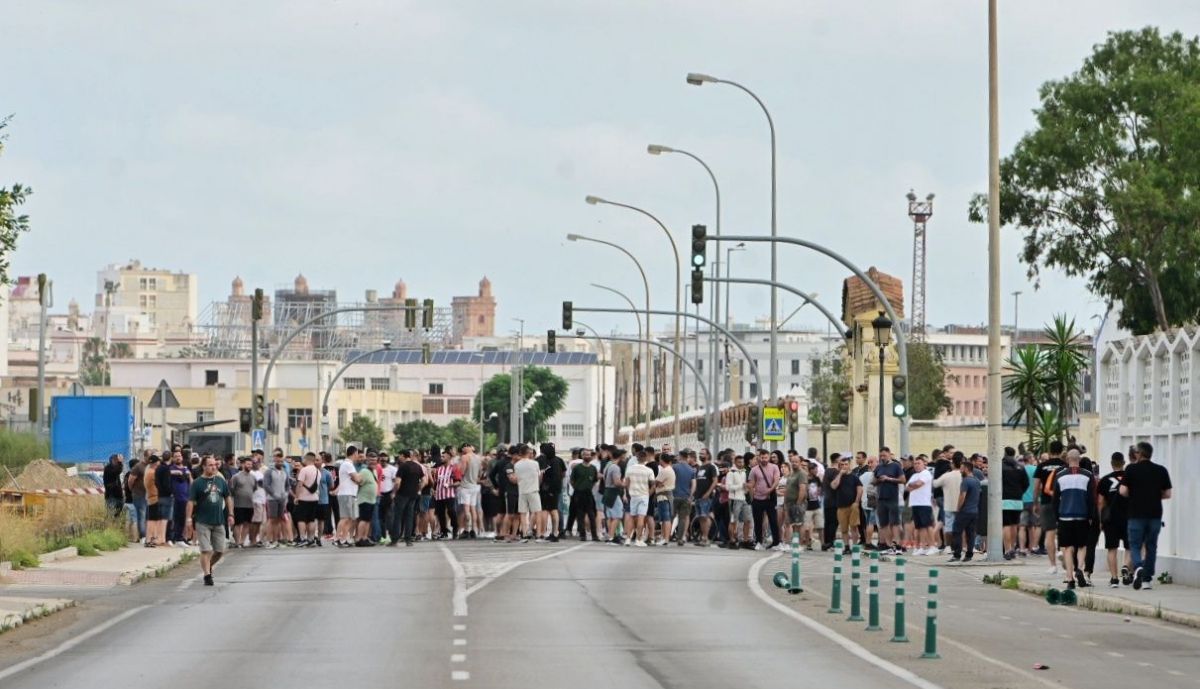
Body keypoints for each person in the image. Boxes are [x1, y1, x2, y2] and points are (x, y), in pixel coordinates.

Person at [1120, 441, 1172, 591]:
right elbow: (1167, 493)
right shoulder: (1161, 470)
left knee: (1135, 544)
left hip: (1135, 514)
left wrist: (1135, 494)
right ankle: (1147, 580)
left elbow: (1123, 491)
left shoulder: (1131, 469)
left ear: (1139, 454)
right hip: (1155, 514)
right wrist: (1154, 496)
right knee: (1151, 546)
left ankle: (1138, 567)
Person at [184, 456, 233, 587]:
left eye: (215, 465)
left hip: (218, 521)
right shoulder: (197, 483)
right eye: (210, 465)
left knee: (219, 551)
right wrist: (189, 519)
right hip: (202, 521)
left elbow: (227, 497)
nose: (214, 467)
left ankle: (208, 565)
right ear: (204, 467)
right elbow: (190, 502)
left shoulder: (220, 481)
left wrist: (231, 514)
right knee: (206, 550)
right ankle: (207, 575)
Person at [1053, 449, 1097, 589]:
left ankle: (1069, 577)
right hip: (1082, 516)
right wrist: (1091, 516)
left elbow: (1055, 499)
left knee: (1067, 548)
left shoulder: (1059, 476)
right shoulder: (1088, 475)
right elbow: (1092, 499)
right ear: (1079, 459)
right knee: (1082, 546)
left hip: (1065, 517)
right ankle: (1080, 568)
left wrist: (1057, 517)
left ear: (1067, 459)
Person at [1033, 440, 1067, 574]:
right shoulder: (1065, 465)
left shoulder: (1042, 466)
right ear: (1061, 451)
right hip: (1064, 502)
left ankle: (1053, 565)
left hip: (1047, 502)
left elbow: (1036, 487)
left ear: (1050, 450)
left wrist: (1035, 503)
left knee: (1049, 533)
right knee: (1064, 531)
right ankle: (1063, 553)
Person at [1097, 452, 1131, 588]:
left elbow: (1100, 502)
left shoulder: (1105, 480)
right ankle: (1125, 567)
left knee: (1112, 549)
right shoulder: (1130, 478)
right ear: (1123, 463)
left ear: (1112, 464)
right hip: (1129, 517)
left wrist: (1100, 520)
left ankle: (1114, 578)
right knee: (1130, 548)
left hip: (1111, 518)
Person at [391, 450, 427, 546]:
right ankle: (408, 539)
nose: (399, 457)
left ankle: (395, 540)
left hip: (402, 494)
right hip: (413, 495)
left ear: (403, 456)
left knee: (398, 516)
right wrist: (418, 488)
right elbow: (424, 481)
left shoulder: (403, 466)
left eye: (400, 455)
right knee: (409, 517)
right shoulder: (417, 466)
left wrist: (394, 492)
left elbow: (398, 482)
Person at [748, 451, 781, 550]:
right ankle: (759, 541)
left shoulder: (774, 467)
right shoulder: (754, 470)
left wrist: (770, 491)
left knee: (773, 520)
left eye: (766, 457)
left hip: (770, 498)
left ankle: (776, 542)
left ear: (769, 457)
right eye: (762, 458)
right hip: (757, 499)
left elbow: (776, 480)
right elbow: (751, 484)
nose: (764, 460)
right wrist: (752, 498)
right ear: (759, 458)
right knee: (758, 521)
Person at [1000, 447, 1030, 559]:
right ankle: (1013, 548)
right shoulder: (1020, 467)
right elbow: (1026, 483)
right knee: (1014, 525)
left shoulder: (1000, 467)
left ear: (1004, 453)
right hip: (1018, 500)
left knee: (1006, 525)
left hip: (1004, 500)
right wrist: (1019, 492)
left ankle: (1007, 550)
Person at [949, 460, 981, 562]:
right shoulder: (976, 480)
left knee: (957, 531)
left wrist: (958, 508)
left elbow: (962, 495)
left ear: (966, 469)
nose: (960, 471)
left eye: (962, 468)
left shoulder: (966, 481)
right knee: (970, 534)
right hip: (974, 511)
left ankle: (957, 554)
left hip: (965, 511)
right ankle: (969, 555)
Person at [830, 456, 862, 551]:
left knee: (854, 527)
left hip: (852, 506)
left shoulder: (854, 477)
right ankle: (847, 547)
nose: (844, 466)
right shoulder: (838, 477)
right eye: (842, 465)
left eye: (846, 464)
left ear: (849, 465)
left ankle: (855, 547)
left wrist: (856, 502)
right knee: (844, 529)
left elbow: (860, 490)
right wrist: (840, 474)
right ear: (839, 466)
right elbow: (833, 486)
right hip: (841, 507)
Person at [905, 456, 935, 555]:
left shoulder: (926, 473)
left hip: (924, 503)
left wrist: (913, 485)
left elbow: (918, 484)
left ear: (924, 464)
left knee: (928, 525)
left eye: (919, 463)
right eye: (915, 463)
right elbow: (907, 488)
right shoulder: (914, 475)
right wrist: (914, 485)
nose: (916, 465)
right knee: (919, 527)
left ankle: (932, 546)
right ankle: (922, 547)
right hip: (915, 503)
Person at [569, 449, 600, 541]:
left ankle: (594, 535)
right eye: (585, 455)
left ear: (591, 456)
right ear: (582, 456)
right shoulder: (577, 468)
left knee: (592, 515)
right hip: (578, 493)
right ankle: (582, 535)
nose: (587, 456)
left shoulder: (593, 468)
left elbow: (595, 480)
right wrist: (577, 487)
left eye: (589, 455)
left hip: (588, 493)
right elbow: (571, 480)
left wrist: (589, 487)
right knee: (580, 515)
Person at [513, 444, 542, 541]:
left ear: (520, 453)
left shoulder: (516, 465)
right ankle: (538, 535)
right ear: (528, 453)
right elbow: (538, 476)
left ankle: (524, 534)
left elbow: (517, 478)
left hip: (522, 490)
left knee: (523, 513)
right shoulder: (535, 463)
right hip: (533, 490)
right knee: (537, 512)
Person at [261, 452, 290, 548]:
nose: (280, 463)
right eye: (278, 461)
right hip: (272, 499)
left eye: (281, 461)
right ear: (274, 461)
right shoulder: (269, 472)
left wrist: (286, 494)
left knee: (279, 519)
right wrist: (274, 494)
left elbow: (287, 485)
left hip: (282, 499)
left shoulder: (284, 472)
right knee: (271, 519)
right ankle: (269, 540)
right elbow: (266, 485)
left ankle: (276, 540)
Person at [625, 456, 654, 547]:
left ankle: (628, 539)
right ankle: (638, 539)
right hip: (644, 495)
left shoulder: (630, 469)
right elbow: (653, 485)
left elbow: (626, 483)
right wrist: (648, 494)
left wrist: (629, 492)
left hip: (633, 495)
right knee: (641, 517)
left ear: (637, 459)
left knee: (632, 516)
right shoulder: (649, 470)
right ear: (645, 459)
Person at [335, 446, 362, 546]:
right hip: (346, 493)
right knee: (345, 518)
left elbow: (356, 479)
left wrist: (357, 478)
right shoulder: (348, 464)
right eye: (357, 454)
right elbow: (357, 479)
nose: (357, 456)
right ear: (354, 453)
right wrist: (359, 477)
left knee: (350, 518)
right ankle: (337, 538)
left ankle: (344, 538)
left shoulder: (348, 464)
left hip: (349, 493)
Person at [228, 457, 257, 547]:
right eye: (248, 464)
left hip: (250, 505)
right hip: (238, 504)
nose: (250, 466)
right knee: (238, 523)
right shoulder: (236, 477)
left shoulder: (253, 477)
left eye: (251, 464)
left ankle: (242, 541)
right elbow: (231, 490)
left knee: (247, 523)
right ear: (243, 464)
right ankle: (237, 541)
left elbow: (254, 489)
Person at [294, 452, 321, 547]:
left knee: (301, 519)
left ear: (307, 459)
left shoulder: (304, 470)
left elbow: (300, 484)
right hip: (314, 498)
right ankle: (311, 539)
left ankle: (302, 538)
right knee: (311, 520)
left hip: (303, 498)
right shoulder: (318, 471)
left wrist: (297, 497)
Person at [352, 452, 379, 547]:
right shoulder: (364, 471)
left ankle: (364, 538)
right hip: (364, 500)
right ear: (367, 461)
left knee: (367, 520)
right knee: (363, 520)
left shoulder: (373, 471)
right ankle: (359, 538)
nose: (373, 462)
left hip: (371, 500)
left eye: (375, 460)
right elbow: (357, 481)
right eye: (371, 460)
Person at [725, 453, 751, 549]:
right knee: (733, 520)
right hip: (734, 499)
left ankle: (745, 540)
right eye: (739, 462)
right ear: (735, 462)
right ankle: (732, 540)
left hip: (743, 498)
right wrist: (741, 486)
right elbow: (728, 487)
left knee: (747, 520)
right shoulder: (731, 473)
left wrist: (746, 489)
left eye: (742, 462)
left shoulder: (744, 472)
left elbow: (745, 485)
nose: (741, 464)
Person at [457, 444, 483, 540]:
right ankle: (474, 530)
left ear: (466, 448)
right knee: (473, 509)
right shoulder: (478, 458)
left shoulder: (464, 457)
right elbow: (480, 472)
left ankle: (467, 530)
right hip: (474, 485)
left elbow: (462, 472)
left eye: (463, 447)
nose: (462, 449)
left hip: (466, 486)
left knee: (466, 509)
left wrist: (458, 468)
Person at [602, 449, 627, 545]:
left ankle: (610, 536)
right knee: (617, 516)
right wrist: (625, 484)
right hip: (613, 493)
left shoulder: (608, 466)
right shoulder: (616, 468)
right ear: (620, 457)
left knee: (610, 516)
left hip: (607, 491)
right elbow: (616, 482)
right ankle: (611, 537)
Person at [671, 452, 695, 546]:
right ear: (687, 457)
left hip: (674, 495)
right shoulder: (691, 470)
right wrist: (690, 496)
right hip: (686, 497)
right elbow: (694, 484)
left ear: (680, 457)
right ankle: (680, 538)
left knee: (671, 517)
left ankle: (666, 536)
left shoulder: (675, 467)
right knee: (682, 519)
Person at [103, 454, 125, 519]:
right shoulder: (108, 468)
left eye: (117, 460)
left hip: (118, 495)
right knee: (111, 513)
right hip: (111, 495)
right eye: (116, 460)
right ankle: (110, 526)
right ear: (112, 460)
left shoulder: (115, 467)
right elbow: (117, 471)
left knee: (119, 512)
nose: (117, 462)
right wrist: (120, 463)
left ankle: (115, 524)